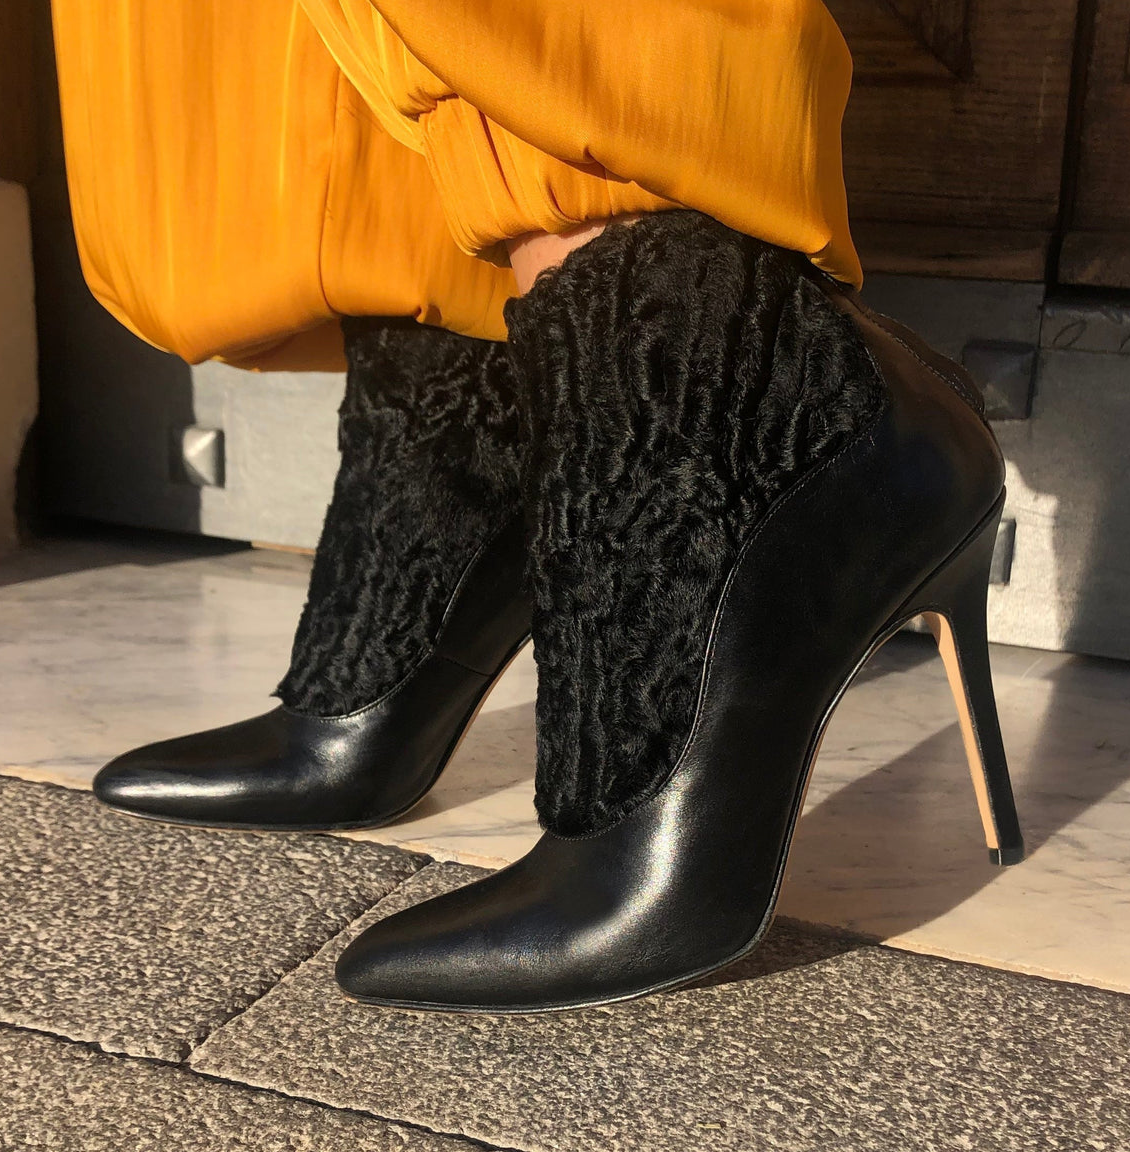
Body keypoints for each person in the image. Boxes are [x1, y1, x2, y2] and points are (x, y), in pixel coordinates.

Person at [51, 0, 1023, 1013]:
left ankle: (730, 389)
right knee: (296, 59)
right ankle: (467, 462)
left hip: (690, 385)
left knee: (545, 43)